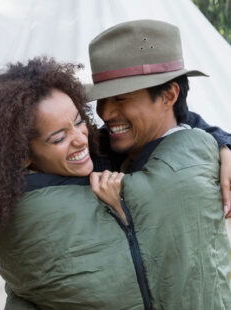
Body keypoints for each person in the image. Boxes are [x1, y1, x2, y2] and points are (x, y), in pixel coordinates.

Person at [0, 56, 230, 309]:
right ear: (23, 156)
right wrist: (124, 208)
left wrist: (222, 142)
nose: (81, 138)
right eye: (59, 136)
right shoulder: (32, 218)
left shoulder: (87, 155)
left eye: (79, 120)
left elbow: (173, 130)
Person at [85, 19, 231, 309]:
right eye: (102, 99)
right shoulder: (98, 149)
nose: (105, 112)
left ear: (169, 95)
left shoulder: (191, 169)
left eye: (121, 98)